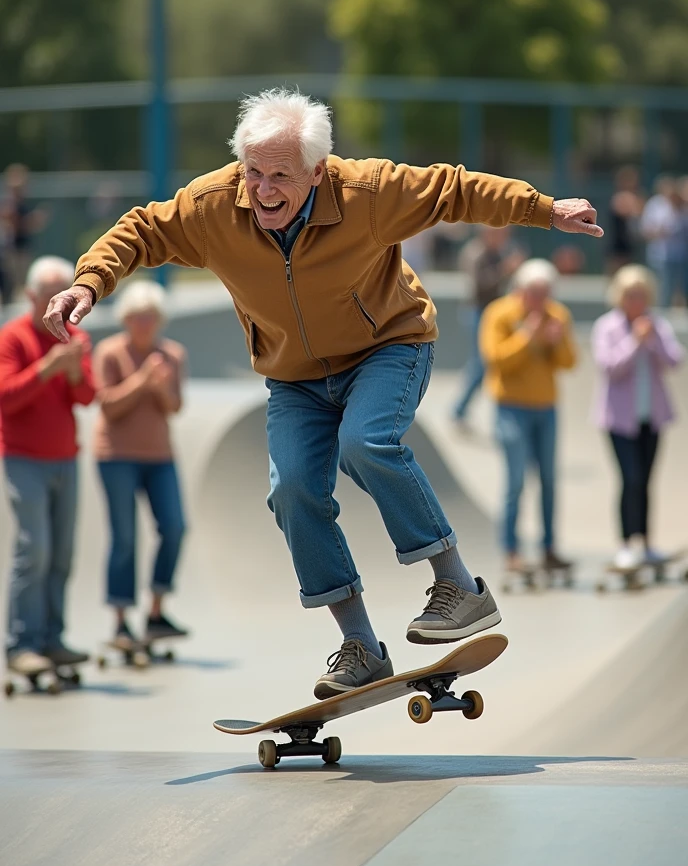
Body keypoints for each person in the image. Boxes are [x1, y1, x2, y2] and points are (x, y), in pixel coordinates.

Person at [43, 88, 603, 699]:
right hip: (294, 377)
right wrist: (89, 283)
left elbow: (455, 188)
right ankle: (360, 644)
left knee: (365, 442)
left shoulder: (367, 192)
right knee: (292, 491)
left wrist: (546, 209)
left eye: (281, 176)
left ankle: (458, 587)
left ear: (317, 170)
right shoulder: (213, 207)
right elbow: (143, 229)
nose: (263, 191)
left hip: (388, 346)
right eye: (253, 173)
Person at [0, 257, 94, 676]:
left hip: (65, 458)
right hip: (23, 457)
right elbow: (5, 397)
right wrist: (46, 369)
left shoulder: (75, 338)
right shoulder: (13, 337)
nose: (54, 308)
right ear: (31, 296)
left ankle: (52, 640)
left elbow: (88, 397)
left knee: (61, 552)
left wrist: (72, 372)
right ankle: (22, 644)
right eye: (46, 296)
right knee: (33, 549)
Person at [92, 280, 187, 649]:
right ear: (126, 320)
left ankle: (156, 611)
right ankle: (120, 620)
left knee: (175, 527)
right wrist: (142, 381)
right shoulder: (110, 352)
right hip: (116, 456)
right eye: (137, 317)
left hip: (160, 455)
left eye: (151, 317)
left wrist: (160, 387)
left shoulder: (173, 354)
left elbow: (174, 407)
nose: (145, 324)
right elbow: (109, 405)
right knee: (125, 537)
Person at [480, 259, 577, 574]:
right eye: (534, 292)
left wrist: (556, 340)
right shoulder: (499, 314)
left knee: (549, 479)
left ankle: (549, 548)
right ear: (520, 290)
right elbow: (495, 360)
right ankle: (511, 550)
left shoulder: (557, 316)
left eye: (545, 292)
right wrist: (526, 337)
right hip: (511, 407)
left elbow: (569, 362)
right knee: (516, 481)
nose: (540, 299)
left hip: (545, 408)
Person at [591, 265, 684, 569]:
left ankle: (646, 542)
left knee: (645, 481)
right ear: (620, 296)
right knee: (629, 479)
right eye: (631, 295)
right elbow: (609, 367)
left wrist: (652, 340)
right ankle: (626, 543)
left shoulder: (656, 324)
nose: (636, 301)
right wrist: (635, 342)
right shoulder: (607, 327)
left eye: (641, 295)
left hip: (651, 417)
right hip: (619, 420)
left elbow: (674, 360)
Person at [453, 226, 525, 424]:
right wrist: (505, 269)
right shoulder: (475, 253)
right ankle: (459, 409)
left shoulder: (500, 252)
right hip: (478, 312)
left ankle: (463, 410)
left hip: (495, 312)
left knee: (486, 364)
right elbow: (480, 285)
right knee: (481, 364)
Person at [0, 164, 48, 302]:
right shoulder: (8, 202)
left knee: (22, 280)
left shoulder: (22, 201)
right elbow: (14, 225)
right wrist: (32, 220)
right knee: (16, 281)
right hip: (13, 247)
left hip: (22, 246)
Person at [639, 175, 685, 308]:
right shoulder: (655, 205)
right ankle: (662, 310)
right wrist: (661, 231)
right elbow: (646, 229)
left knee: (680, 286)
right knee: (663, 285)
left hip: (681, 254)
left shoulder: (681, 204)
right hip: (660, 254)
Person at [605, 166, 644, 275]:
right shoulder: (618, 198)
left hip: (629, 245)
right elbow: (630, 209)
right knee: (616, 276)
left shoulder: (633, 196)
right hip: (617, 246)